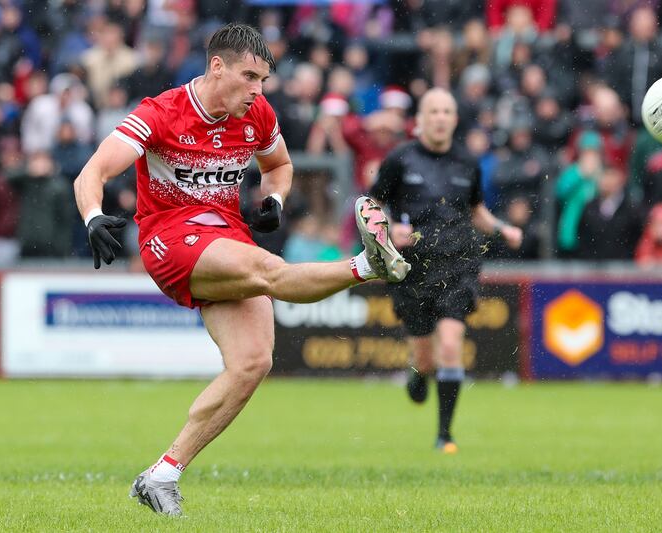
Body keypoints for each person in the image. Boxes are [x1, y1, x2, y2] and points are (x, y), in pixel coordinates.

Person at [73, 23, 410, 516]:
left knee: (253, 363)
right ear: (217, 66)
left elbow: (280, 165)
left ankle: (163, 473)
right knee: (269, 271)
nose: (258, 90)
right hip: (171, 240)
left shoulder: (256, 113)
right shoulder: (160, 112)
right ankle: (367, 264)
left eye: (264, 80)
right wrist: (93, 216)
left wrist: (273, 198)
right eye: (250, 77)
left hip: (227, 236)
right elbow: (93, 172)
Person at [369, 88, 522, 453]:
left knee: (451, 344)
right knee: (424, 357)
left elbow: (476, 212)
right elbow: (371, 205)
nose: (440, 117)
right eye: (433, 111)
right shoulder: (400, 159)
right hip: (412, 268)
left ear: (454, 120)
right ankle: (418, 374)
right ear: (419, 120)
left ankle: (445, 436)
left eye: (447, 111)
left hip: (458, 263)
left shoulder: (468, 162)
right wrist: (388, 228)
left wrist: (504, 229)